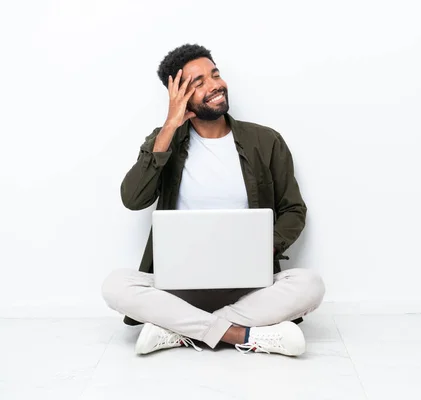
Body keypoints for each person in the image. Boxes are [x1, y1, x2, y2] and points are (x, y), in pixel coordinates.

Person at [101, 44, 325, 357]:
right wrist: (169, 125)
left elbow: (293, 210)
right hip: (179, 289)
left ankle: (178, 330)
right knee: (115, 284)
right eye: (199, 82)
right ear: (178, 96)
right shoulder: (164, 140)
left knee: (310, 284)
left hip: (249, 287)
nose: (214, 85)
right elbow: (133, 198)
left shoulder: (265, 140)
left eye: (215, 75)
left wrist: (266, 245)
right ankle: (244, 334)